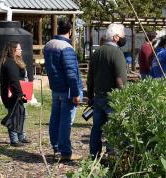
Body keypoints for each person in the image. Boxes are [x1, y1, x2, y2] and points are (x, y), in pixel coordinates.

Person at [44, 18, 83, 161]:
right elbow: (71, 73)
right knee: (66, 122)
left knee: (55, 119)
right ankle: (65, 151)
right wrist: (75, 93)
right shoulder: (66, 48)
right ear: (70, 31)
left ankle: (56, 147)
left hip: (55, 87)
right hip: (67, 89)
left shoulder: (48, 45)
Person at [87, 23, 128, 157]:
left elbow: (90, 77)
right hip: (113, 98)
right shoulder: (116, 53)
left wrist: (90, 95)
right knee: (114, 128)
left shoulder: (97, 52)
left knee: (96, 128)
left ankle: (94, 154)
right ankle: (111, 155)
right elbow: (120, 79)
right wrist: (124, 97)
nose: (124, 38)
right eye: (123, 36)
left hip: (98, 97)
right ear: (116, 37)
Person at [0, 41, 30, 146]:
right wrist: (20, 94)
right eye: (19, 49)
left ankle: (21, 136)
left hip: (17, 92)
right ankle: (14, 140)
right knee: (13, 116)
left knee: (22, 114)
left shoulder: (15, 61)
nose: (21, 50)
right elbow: (13, 81)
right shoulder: (9, 63)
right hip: (13, 94)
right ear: (13, 50)